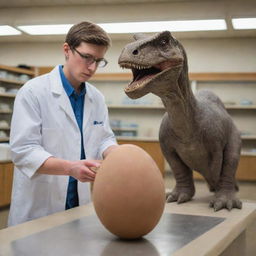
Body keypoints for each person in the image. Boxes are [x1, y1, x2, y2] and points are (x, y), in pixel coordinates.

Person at [8, 21, 118, 226]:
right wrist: (70, 168)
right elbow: (24, 150)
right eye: (86, 57)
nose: (92, 67)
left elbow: (104, 138)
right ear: (67, 49)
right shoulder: (33, 92)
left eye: (99, 60)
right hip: (40, 207)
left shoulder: (97, 98)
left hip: (79, 204)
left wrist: (116, 154)